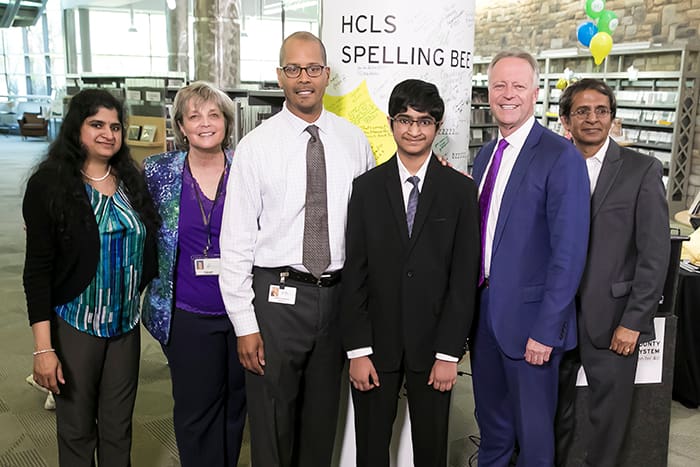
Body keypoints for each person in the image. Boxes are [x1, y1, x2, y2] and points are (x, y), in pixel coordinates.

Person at [219, 31, 375, 467]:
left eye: (312, 68)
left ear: (327, 74)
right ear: (279, 76)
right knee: (271, 424)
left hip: (337, 298)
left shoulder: (353, 141)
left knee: (322, 423)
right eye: (293, 69)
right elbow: (235, 243)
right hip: (275, 302)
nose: (303, 78)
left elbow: (374, 216)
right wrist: (244, 323)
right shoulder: (255, 148)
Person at [342, 79, 480, 467]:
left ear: (437, 127)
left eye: (424, 121)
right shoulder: (366, 189)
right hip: (374, 348)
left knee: (432, 451)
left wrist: (450, 353)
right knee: (370, 450)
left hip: (434, 348)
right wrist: (358, 350)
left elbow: (463, 278)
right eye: (404, 120)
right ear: (390, 123)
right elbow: (355, 273)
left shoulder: (459, 191)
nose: (413, 130)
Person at [22, 88, 159, 467]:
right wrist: (43, 349)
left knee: (119, 430)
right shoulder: (50, 184)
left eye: (115, 126)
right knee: (78, 430)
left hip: (124, 328)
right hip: (76, 324)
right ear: (75, 128)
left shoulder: (131, 179)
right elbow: (37, 273)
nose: (108, 134)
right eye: (96, 124)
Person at [469, 50, 590, 466]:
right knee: (492, 430)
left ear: (535, 93)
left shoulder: (560, 157)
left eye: (518, 86)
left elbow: (568, 254)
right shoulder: (486, 155)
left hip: (532, 327)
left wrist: (545, 330)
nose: (507, 94)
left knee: (535, 440)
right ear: (488, 92)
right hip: (484, 316)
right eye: (499, 85)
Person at [554, 79, 670, 467]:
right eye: (582, 111)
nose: (592, 119)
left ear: (613, 118)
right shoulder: (552, 164)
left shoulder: (641, 170)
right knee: (552, 416)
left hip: (614, 320)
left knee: (608, 423)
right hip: (555, 319)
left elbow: (654, 254)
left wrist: (634, 321)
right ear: (565, 119)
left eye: (601, 111)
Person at [141, 81, 246, 467]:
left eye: (214, 114)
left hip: (242, 314)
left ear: (227, 123)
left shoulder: (246, 168)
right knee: (195, 410)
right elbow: (117, 202)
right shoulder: (158, 171)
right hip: (186, 313)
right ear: (181, 127)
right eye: (194, 116)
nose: (205, 123)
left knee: (236, 407)